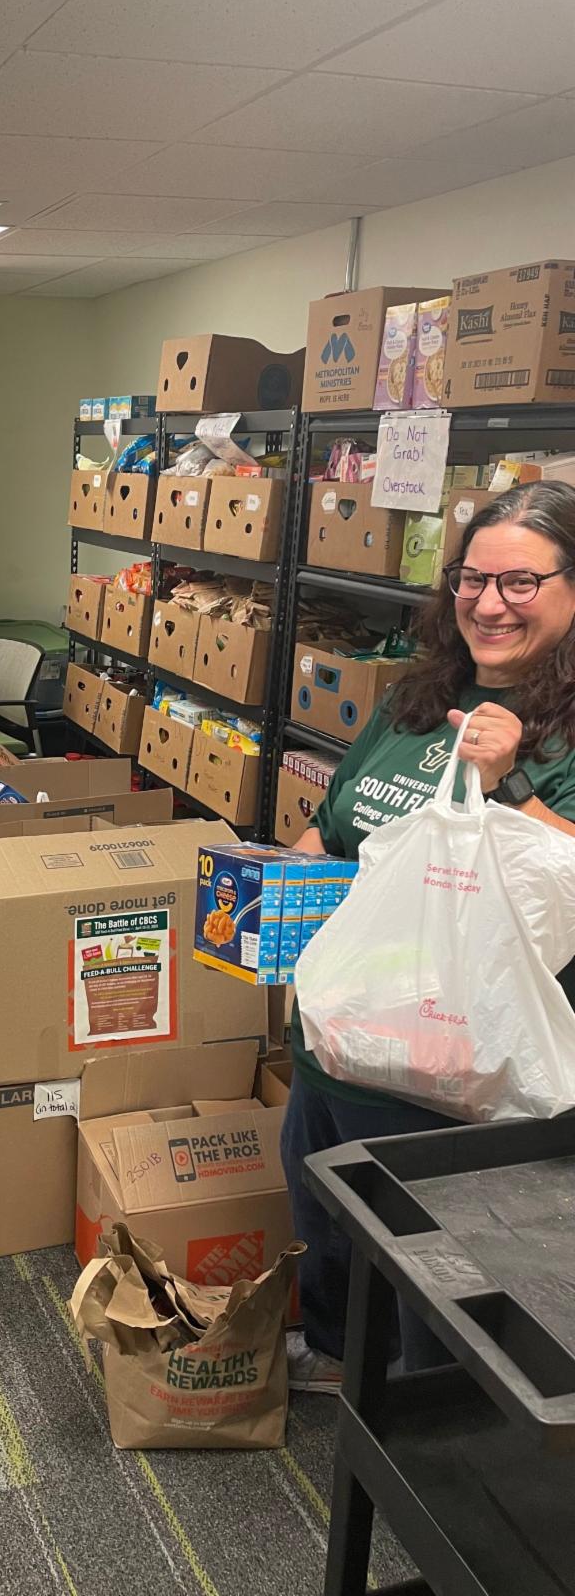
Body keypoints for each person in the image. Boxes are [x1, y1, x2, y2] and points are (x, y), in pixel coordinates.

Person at [282, 479, 575, 1393]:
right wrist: (275, 881)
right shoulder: (418, 699)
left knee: (432, 1286)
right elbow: (335, 829)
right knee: (323, 1210)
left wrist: (509, 781)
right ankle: (334, 1357)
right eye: (472, 579)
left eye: (521, 583)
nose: (489, 603)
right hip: (340, 1036)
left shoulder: (557, 734)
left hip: (451, 1073)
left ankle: (421, 1437)